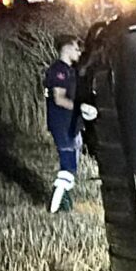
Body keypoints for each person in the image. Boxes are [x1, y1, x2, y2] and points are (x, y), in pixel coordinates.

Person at [42, 34, 91, 213]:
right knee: (68, 167)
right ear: (66, 48)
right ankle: (55, 207)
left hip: (72, 124)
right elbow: (59, 99)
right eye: (76, 49)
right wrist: (80, 107)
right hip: (63, 124)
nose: (79, 52)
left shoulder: (70, 71)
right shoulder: (59, 71)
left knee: (71, 166)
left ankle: (64, 203)